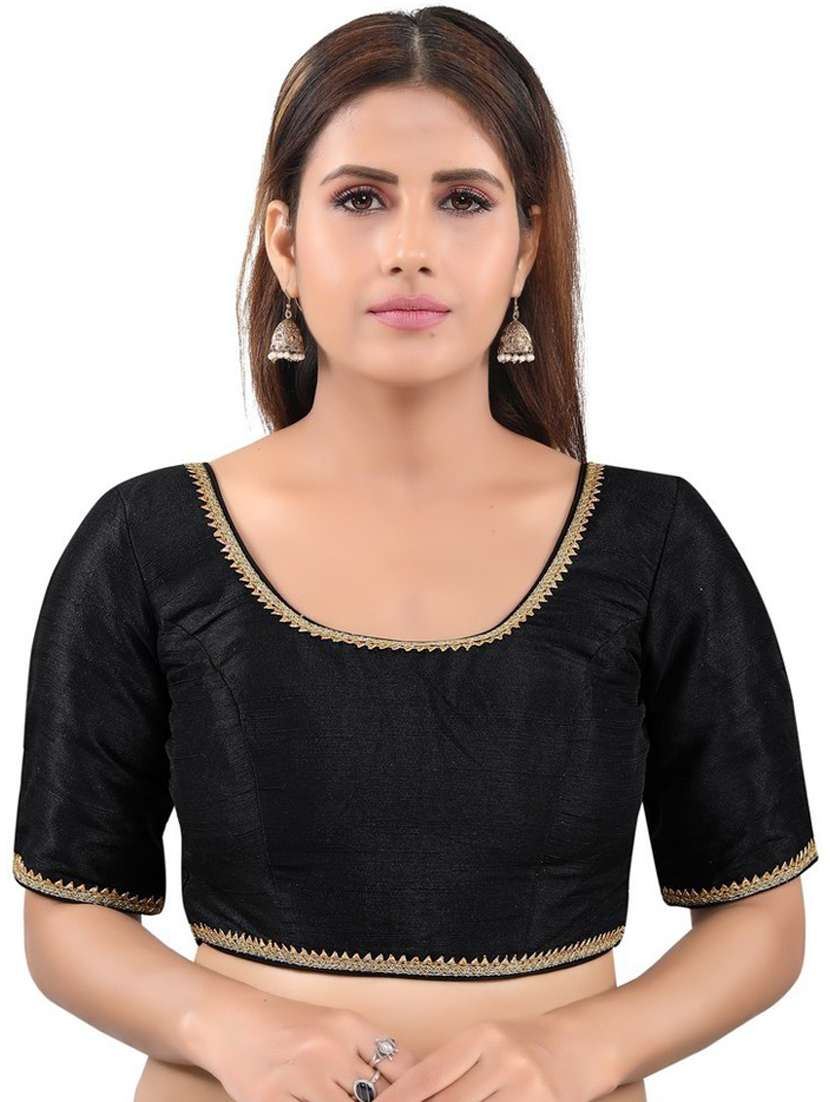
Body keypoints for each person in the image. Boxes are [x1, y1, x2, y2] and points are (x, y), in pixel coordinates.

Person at [11, 8, 819, 1102]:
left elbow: (761, 918)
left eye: (463, 199)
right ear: (285, 242)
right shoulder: (145, 540)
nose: (409, 246)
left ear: (526, 245)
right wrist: (233, 1029)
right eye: (360, 198)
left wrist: (579, 1048)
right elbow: (67, 912)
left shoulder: (657, 542)